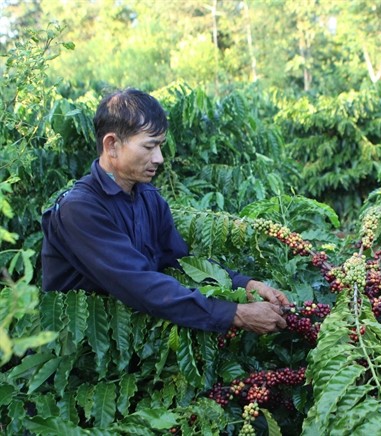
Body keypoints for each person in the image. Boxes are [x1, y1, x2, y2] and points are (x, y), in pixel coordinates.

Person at [41, 88, 289, 334]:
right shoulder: (79, 209)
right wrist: (236, 314)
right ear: (112, 145)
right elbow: (139, 285)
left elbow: (181, 262)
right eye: (149, 146)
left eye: (160, 146)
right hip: (79, 352)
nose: (159, 158)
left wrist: (245, 284)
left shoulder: (150, 198)